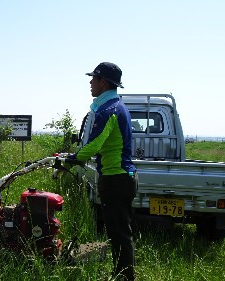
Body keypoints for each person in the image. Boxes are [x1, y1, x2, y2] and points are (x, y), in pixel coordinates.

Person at [68, 62, 137, 280]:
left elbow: (94, 144)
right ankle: (121, 273)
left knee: (119, 233)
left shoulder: (109, 110)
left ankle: (125, 276)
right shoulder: (116, 106)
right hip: (120, 177)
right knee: (118, 232)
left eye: (94, 78)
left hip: (116, 179)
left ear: (103, 82)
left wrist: (71, 159)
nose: (90, 82)